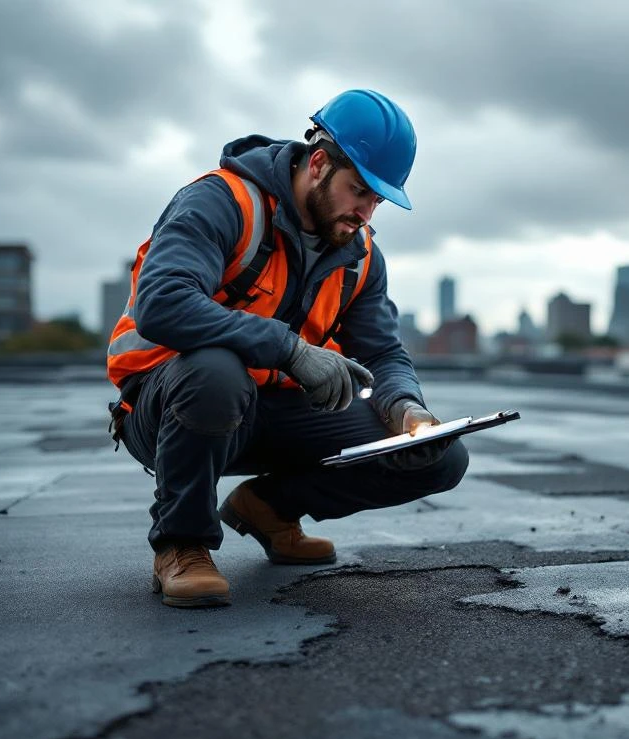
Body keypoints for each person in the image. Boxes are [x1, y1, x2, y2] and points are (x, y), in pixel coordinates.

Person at [106, 89, 469, 609]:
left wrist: (405, 407)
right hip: (173, 409)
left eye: (378, 201)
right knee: (216, 371)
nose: (366, 212)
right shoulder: (223, 201)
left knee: (439, 458)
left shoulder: (361, 255)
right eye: (359, 191)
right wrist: (291, 351)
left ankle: (270, 508)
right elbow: (163, 304)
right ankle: (180, 543)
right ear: (318, 164)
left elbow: (385, 354)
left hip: (275, 414)